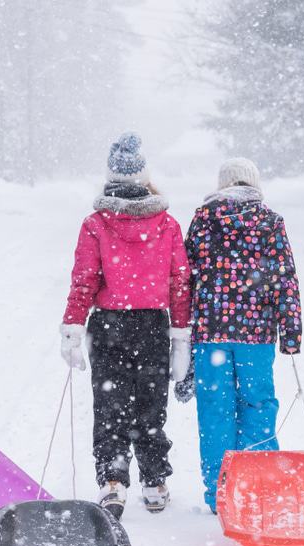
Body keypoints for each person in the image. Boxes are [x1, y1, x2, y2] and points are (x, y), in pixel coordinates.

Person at [60, 132, 191, 519]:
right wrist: (180, 335)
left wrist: (73, 326)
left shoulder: (96, 224)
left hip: (109, 325)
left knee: (110, 404)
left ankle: (113, 480)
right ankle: (154, 481)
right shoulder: (166, 224)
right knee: (151, 406)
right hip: (152, 324)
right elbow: (179, 282)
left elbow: (84, 280)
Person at [184, 158, 302, 514]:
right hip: (256, 334)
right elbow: (285, 278)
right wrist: (291, 330)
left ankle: (220, 492)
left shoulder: (204, 220)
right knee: (258, 406)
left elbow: (186, 275)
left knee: (215, 411)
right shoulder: (269, 222)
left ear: (222, 186)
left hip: (211, 334)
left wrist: (180, 325)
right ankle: (259, 487)